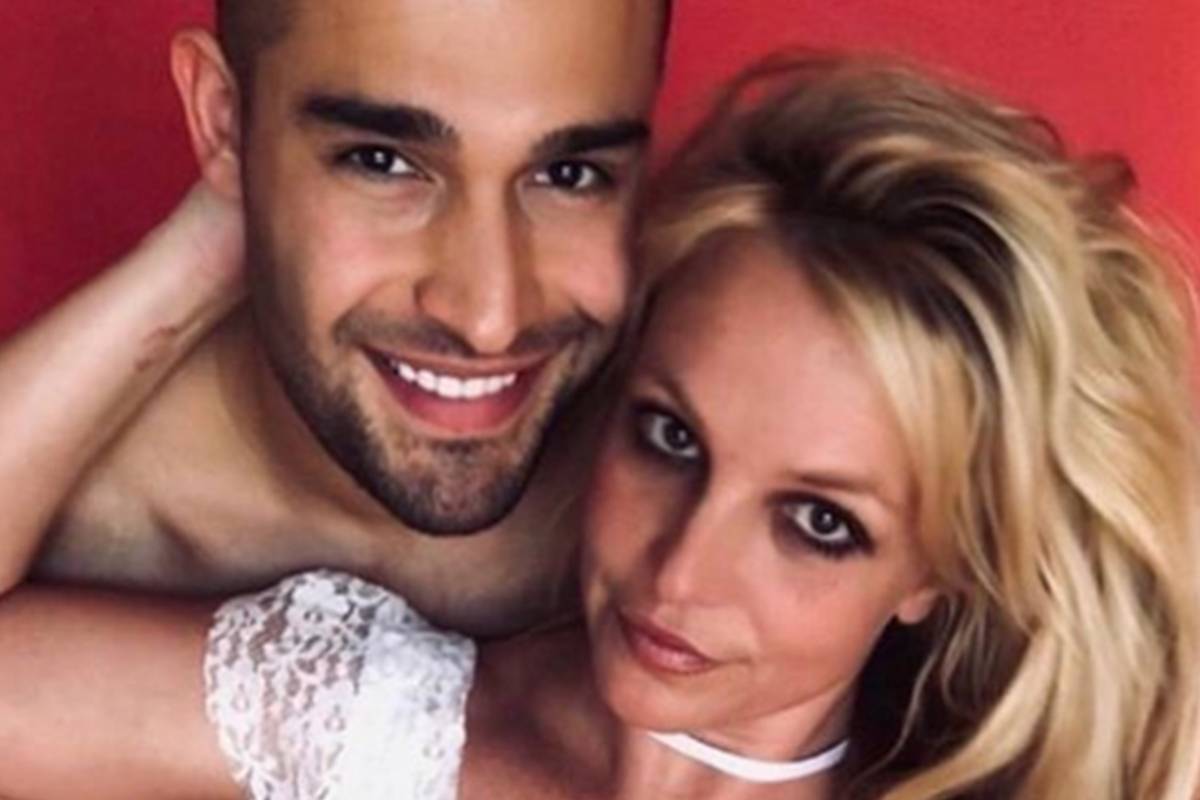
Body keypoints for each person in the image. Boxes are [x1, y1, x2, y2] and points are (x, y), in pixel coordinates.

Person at [2, 53, 1198, 798]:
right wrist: (229, 224)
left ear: (938, 567)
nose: (680, 573)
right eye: (671, 439)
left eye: (819, 521)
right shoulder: (371, 720)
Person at [0, 0, 671, 637]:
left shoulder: (692, 498)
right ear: (225, 119)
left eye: (569, 175)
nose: (489, 320)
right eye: (383, 163)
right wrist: (199, 253)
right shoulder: (84, 512)